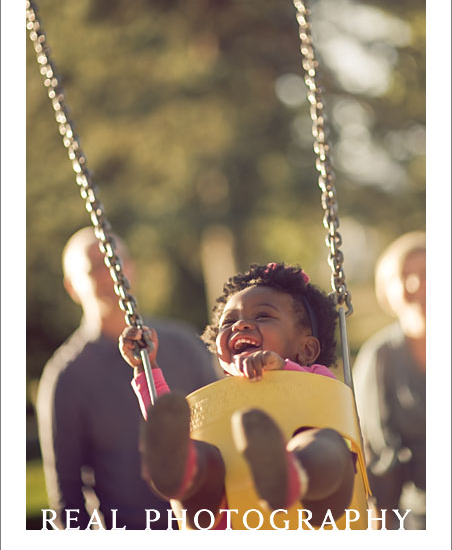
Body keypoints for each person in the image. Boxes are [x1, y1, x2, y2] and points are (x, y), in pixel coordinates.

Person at [120, 262, 357, 530]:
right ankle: (181, 472)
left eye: (263, 316)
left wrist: (281, 367)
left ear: (307, 350)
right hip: (229, 522)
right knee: (197, 450)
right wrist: (146, 368)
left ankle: (292, 474)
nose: (241, 325)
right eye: (229, 322)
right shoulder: (217, 401)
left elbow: (329, 405)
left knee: (325, 441)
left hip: (314, 516)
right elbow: (170, 430)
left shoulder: (316, 376)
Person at [36, 226, 219, 530]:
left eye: (116, 262)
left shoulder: (185, 345)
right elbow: (66, 499)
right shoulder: (66, 376)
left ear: (131, 268)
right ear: (72, 286)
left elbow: (220, 432)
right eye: (95, 267)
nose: (109, 274)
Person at [352, 231, 426, 530]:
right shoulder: (379, 356)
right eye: (403, 275)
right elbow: (378, 456)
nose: (416, 284)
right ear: (386, 291)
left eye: (426, 273)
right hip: (418, 512)